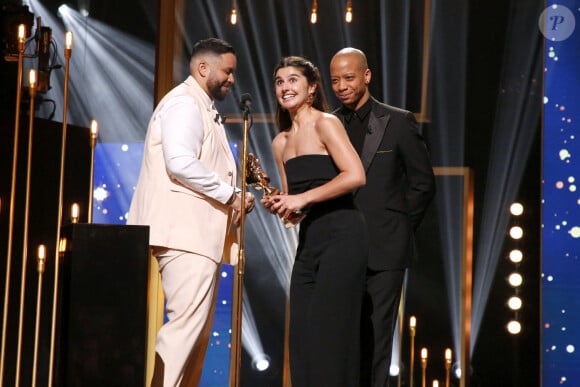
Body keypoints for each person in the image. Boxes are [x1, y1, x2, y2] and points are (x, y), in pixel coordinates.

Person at [127, 37, 255, 387]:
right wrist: (230, 195)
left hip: (197, 235)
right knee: (184, 330)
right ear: (203, 68)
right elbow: (180, 162)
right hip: (185, 233)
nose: (231, 79)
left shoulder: (200, 105)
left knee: (194, 336)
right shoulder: (185, 103)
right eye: (227, 71)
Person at [329, 47, 436, 387]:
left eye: (348, 77)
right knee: (343, 333)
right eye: (335, 80)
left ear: (366, 75)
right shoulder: (328, 125)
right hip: (342, 247)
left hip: (385, 248)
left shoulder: (397, 121)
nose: (342, 86)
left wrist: (399, 226)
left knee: (377, 335)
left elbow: (422, 183)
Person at [263, 56, 368, 387]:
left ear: (311, 89)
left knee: (330, 333)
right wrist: (283, 205)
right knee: (303, 335)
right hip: (310, 240)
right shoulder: (280, 142)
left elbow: (355, 175)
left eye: (293, 80)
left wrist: (302, 198)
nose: (285, 87)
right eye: (280, 81)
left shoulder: (326, 123)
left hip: (344, 233)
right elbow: (296, 209)